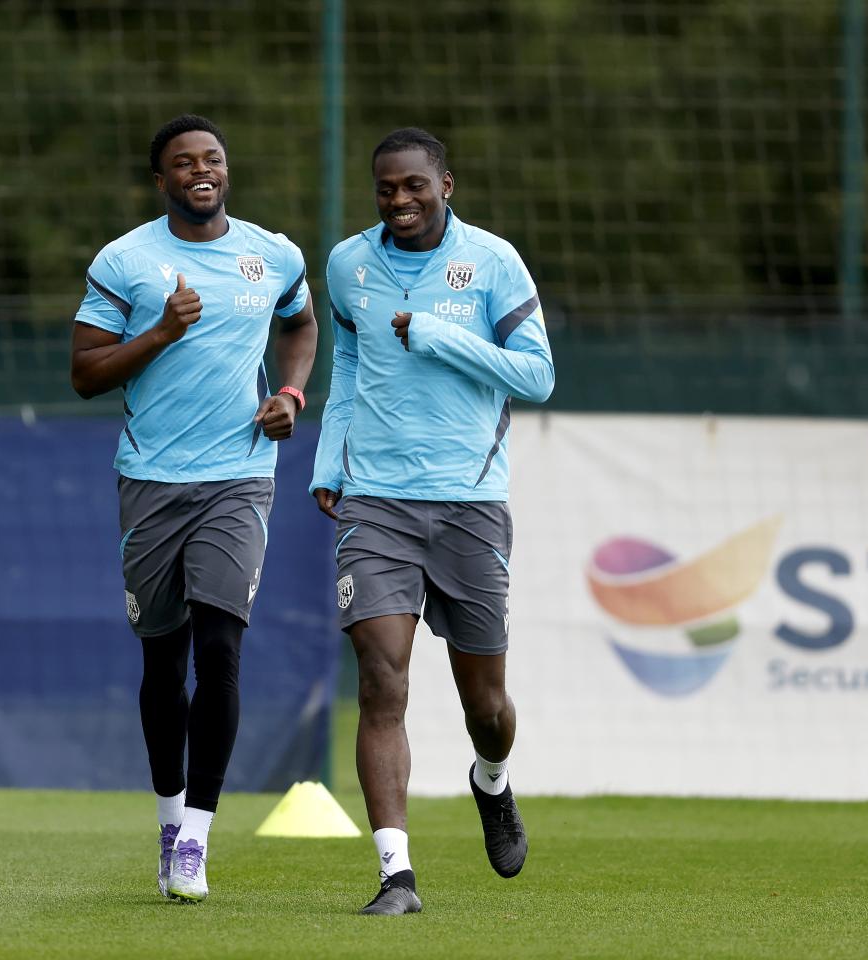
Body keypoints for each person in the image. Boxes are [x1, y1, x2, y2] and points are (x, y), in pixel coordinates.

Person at [70, 114, 317, 903]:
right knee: (162, 662)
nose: (201, 171)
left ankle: (197, 844)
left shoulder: (272, 254)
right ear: (161, 180)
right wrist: (160, 333)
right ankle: (170, 819)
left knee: (222, 650)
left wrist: (289, 392)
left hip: (240, 478)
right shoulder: (126, 260)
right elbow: (83, 373)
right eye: (184, 162)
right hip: (150, 479)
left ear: (226, 172)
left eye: (212, 158)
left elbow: (302, 324)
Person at [310, 128, 554, 915]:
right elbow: (348, 363)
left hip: (470, 502)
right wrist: (328, 460)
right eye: (386, 189)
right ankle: (396, 876)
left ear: (447, 183)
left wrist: (444, 336)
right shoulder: (349, 264)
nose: (400, 200)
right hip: (375, 500)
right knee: (382, 681)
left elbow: (538, 375)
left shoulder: (491, 261)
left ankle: (493, 779)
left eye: (415, 185)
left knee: (485, 706)